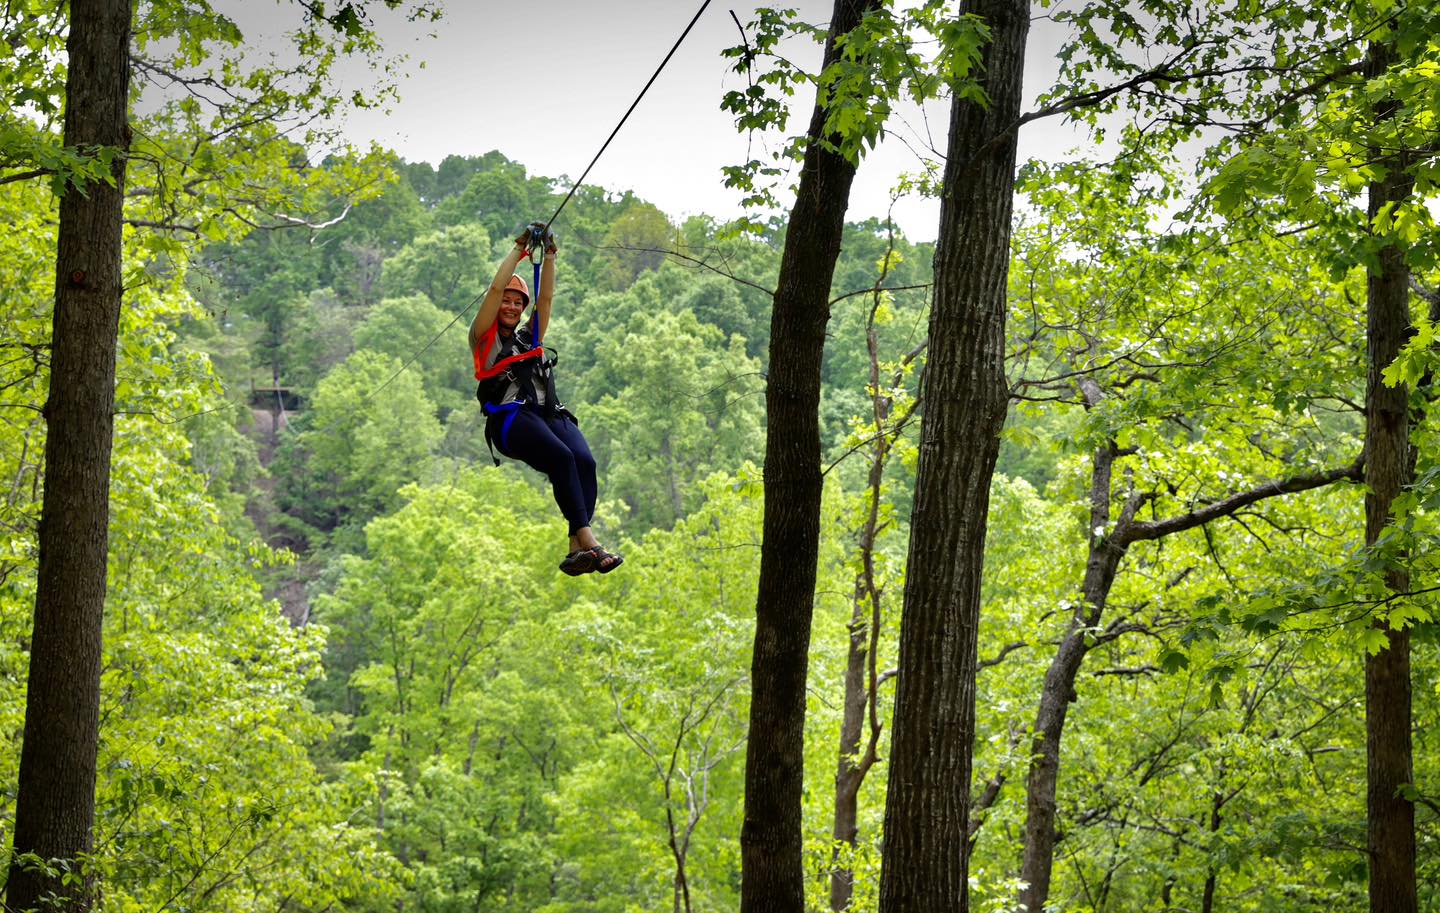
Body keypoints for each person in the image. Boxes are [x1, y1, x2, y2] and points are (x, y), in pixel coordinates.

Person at [469, 223, 622, 576]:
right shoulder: (483, 338)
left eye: (517, 302)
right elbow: (494, 288)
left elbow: (547, 299)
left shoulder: (529, 337)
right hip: (510, 419)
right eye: (506, 301)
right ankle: (591, 542)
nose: (510, 305)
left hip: (546, 414)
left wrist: (550, 256)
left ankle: (575, 549)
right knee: (561, 457)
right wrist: (520, 249)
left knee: (584, 462)